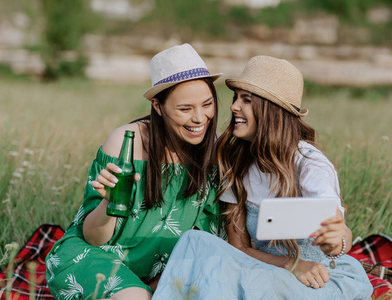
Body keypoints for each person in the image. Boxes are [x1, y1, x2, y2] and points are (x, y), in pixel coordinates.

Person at [152, 56, 373, 299]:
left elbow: (339, 233)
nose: (234, 107)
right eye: (236, 98)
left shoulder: (310, 165)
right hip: (268, 272)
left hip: (317, 281)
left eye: (246, 100)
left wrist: (337, 241)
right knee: (195, 242)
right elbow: (240, 248)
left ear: (271, 111)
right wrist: (291, 264)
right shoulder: (238, 163)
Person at [45, 43, 224, 300]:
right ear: (158, 105)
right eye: (185, 109)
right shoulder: (126, 144)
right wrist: (108, 200)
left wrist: (162, 282)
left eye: (207, 104)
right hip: (97, 257)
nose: (200, 118)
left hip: (163, 269)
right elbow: (95, 239)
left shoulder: (215, 151)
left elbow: (206, 240)